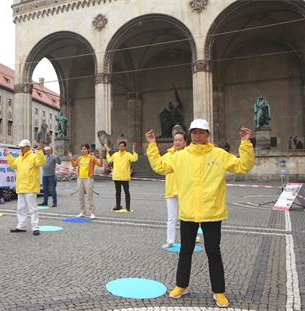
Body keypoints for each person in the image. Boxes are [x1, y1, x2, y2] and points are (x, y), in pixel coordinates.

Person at [146, 119, 254, 308]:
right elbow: (160, 167)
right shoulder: (180, 156)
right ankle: (181, 285)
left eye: (201, 132)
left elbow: (243, 166)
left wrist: (245, 143)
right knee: (185, 251)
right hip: (188, 212)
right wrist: (152, 145)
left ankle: (219, 291)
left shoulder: (219, 154)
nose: (197, 135)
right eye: (194, 132)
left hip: (211, 212)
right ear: (190, 134)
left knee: (214, 253)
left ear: (207, 134)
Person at [5, 139, 46, 236]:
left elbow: (41, 162)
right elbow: (13, 165)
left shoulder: (34, 156)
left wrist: (39, 151)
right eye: (20, 147)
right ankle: (21, 226)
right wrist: (8, 155)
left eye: (23, 147)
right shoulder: (19, 158)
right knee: (21, 208)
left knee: (33, 209)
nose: (21, 149)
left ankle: (35, 227)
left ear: (28, 147)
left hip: (30, 187)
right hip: (21, 187)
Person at [160, 133, 186, 248]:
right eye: (175, 140)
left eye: (180, 140)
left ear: (185, 142)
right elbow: (159, 166)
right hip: (171, 189)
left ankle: (191, 237)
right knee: (171, 217)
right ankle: (170, 240)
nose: (177, 142)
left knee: (187, 217)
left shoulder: (188, 155)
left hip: (185, 190)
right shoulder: (167, 155)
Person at [68, 144, 103, 219]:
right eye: (82, 149)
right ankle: (82, 212)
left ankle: (92, 213)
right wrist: (71, 157)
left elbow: (100, 164)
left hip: (88, 178)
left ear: (88, 150)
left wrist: (100, 155)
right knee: (80, 196)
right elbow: (74, 165)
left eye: (84, 149)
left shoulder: (92, 157)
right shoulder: (80, 158)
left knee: (89, 196)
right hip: (80, 178)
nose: (83, 150)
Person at [106, 141, 138, 212]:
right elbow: (109, 160)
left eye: (122, 146)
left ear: (125, 147)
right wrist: (107, 152)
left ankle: (128, 207)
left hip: (125, 177)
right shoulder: (115, 154)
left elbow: (134, 159)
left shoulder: (128, 154)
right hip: (116, 176)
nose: (121, 147)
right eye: (120, 146)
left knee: (126, 192)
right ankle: (118, 205)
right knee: (118, 192)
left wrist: (134, 150)